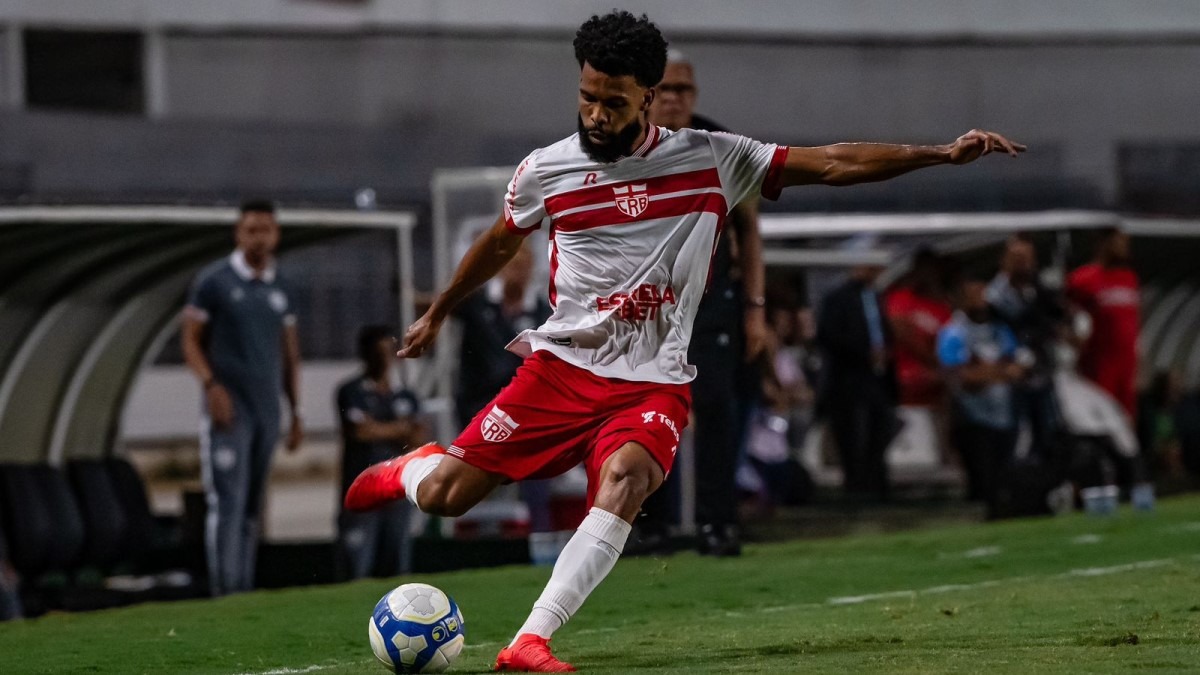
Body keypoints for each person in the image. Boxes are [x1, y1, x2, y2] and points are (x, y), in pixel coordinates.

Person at [344, 11, 1023, 671]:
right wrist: (440, 311)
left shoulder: (711, 160)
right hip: (561, 371)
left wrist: (939, 152)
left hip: (652, 378)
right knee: (446, 497)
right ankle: (413, 469)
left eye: (613, 101)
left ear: (649, 96)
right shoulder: (545, 170)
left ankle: (529, 640)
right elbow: (499, 242)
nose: (596, 114)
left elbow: (836, 162)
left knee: (626, 481)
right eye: (586, 96)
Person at [632, 49, 769, 556]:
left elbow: (752, 235)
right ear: (646, 95)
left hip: (711, 300)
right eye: (663, 90)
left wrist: (756, 308)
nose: (672, 99)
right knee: (646, 412)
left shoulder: (726, 150)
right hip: (646, 304)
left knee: (716, 411)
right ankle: (653, 523)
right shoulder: (622, 148)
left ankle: (718, 523)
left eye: (682, 90)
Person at [181, 200, 303, 596]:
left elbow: (289, 352)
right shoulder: (214, 281)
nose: (259, 237)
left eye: (266, 229)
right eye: (251, 230)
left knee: (253, 505)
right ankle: (224, 591)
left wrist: (296, 410)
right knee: (227, 502)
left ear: (276, 234)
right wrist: (211, 385)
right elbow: (190, 340)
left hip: (266, 409)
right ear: (238, 234)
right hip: (229, 410)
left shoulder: (280, 285)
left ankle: (244, 588)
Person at [453, 244, 556, 532]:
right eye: (512, 265)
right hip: (481, 414)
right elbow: (441, 305)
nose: (517, 272)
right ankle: (487, 547)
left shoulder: (542, 312)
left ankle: (537, 543)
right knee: (482, 488)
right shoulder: (476, 305)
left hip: (528, 418)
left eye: (523, 266)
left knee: (535, 483)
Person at [336, 325, 424, 580]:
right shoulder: (351, 391)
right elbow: (360, 432)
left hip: (397, 490)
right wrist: (400, 429)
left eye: (388, 351)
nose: (385, 358)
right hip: (362, 489)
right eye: (378, 352)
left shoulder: (406, 394)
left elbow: (418, 438)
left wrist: (378, 427)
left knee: (397, 562)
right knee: (357, 564)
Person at [938, 277, 1026, 518]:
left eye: (982, 295)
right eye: (973, 296)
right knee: (982, 482)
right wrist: (998, 372)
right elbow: (962, 377)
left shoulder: (999, 329)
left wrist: (987, 372)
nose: (981, 301)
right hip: (972, 417)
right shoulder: (953, 332)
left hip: (1004, 415)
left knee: (1004, 478)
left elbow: (1017, 368)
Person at [817, 260, 899, 502]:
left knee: (880, 432)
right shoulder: (838, 299)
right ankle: (856, 491)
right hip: (849, 380)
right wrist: (864, 352)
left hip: (879, 379)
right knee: (853, 437)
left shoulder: (876, 297)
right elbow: (828, 335)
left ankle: (878, 488)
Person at [986, 235, 1067, 462]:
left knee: (1047, 431)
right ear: (1004, 260)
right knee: (1013, 437)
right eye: (1017, 258)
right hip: (1007, 377)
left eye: (1026, 258)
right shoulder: (993, 297)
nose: (1022, 264)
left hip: (1041, 373)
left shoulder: (1039, 290)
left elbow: (1056, 321)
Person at [1066, 228, 1140, 416]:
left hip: (1127, 370)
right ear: (1104, 242)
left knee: (1127, 425)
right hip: (1099, 369)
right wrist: (1074, 342)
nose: (1125, 246)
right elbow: (1062, 317)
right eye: (1120, 240)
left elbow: (1134, 326)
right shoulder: (1082, 279)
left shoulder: (1129, 278)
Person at [886, 247, 952, 408]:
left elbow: (949, 345)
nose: (926, 274)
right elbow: (898, 327)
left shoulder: (943, 309)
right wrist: (931, 357)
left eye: (930, 269)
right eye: (922, 268)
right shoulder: (901, 298)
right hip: (902, 385)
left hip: (933, 392)